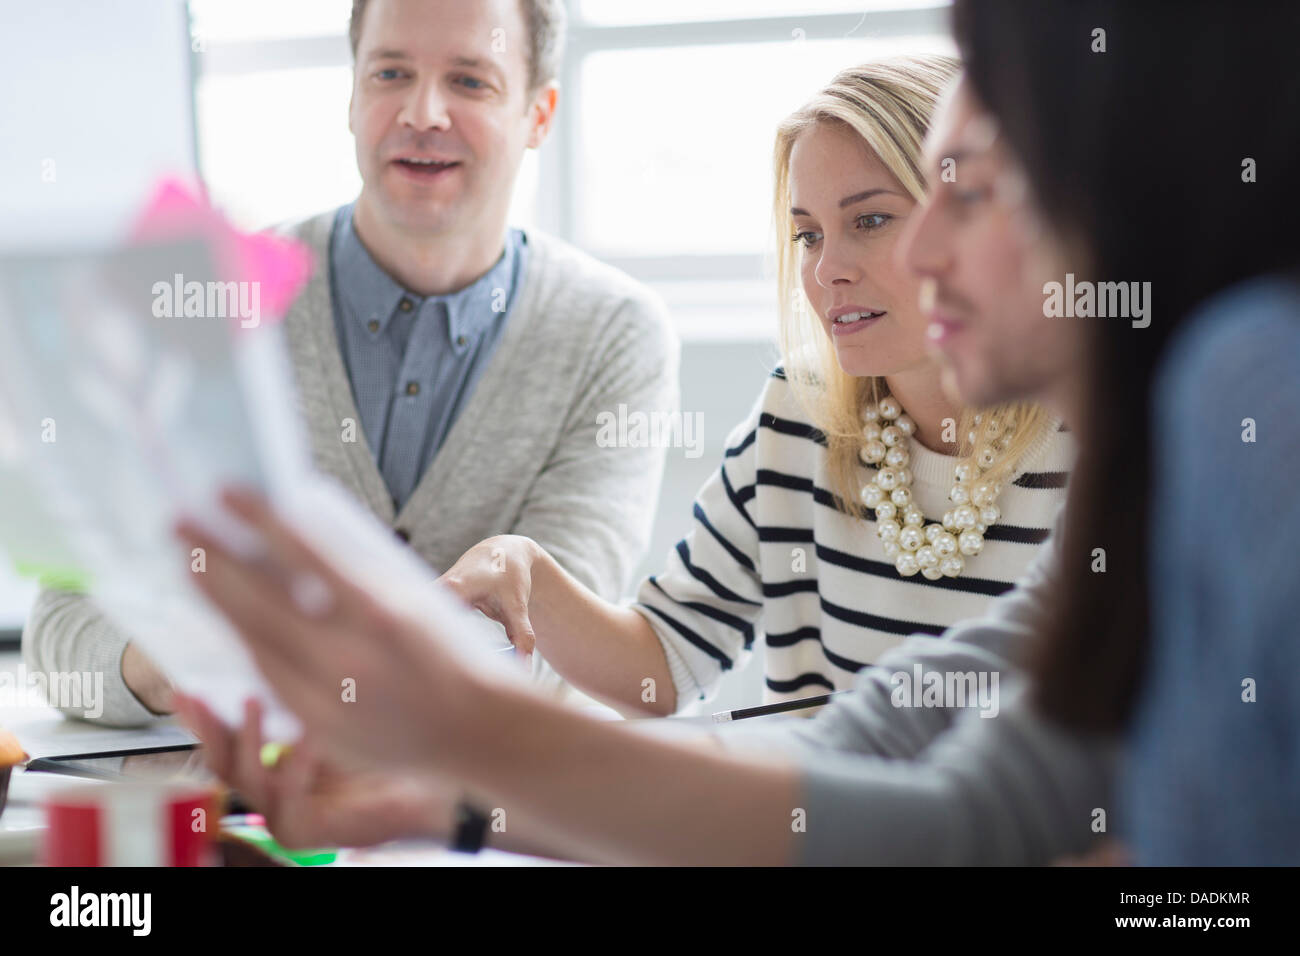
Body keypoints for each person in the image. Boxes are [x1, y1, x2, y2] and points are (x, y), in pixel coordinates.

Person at [179, 0, 1300, 864]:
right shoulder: (1135, 497)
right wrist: (465, 793)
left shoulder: (1242, 391)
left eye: (972, 191)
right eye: (811, 231)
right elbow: (879, 766)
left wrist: (472, 735)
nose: (878, 263)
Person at [23, 0, 678, 726]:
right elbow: (60, 632)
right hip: (242, 812)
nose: (423, 112)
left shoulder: (615, 333)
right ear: (354, 95)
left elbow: (554, 656)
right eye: (391, 73)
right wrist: (188, 654)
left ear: (539, 115)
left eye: (470, 81)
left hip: (480, 823)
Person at [438, 55, 1072, 717]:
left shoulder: (1090, 434)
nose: (827, 269)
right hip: (823, 821)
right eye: (808, 235)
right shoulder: (797, 415)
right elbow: (663, 663)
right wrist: (527, 569)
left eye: (871, 220)